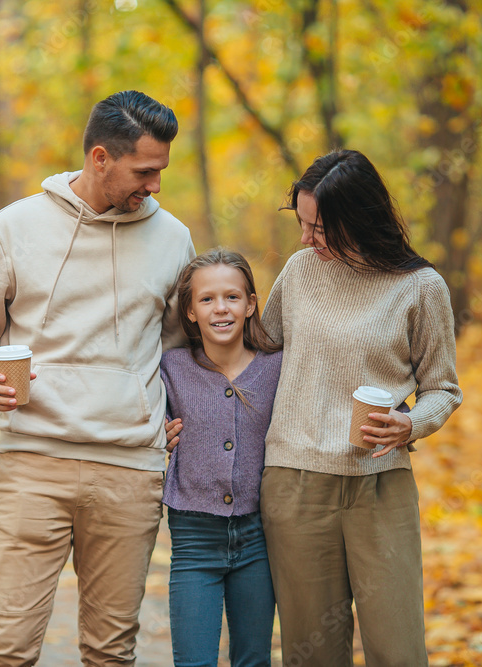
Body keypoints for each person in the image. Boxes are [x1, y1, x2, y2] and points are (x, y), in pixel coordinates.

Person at [0, 90, 196, 667]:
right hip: (31, 464)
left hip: (130, 471)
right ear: (101, 158)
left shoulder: (174, 239)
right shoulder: (12, 228)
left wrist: (181, 418)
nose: (155, 185)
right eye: (145, 171)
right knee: (7, 650)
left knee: (110, 653)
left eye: (161, 171)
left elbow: (180, 348)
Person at [258, 149, 462, 666]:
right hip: (296, 483)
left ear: (359, 220)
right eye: (302, 224)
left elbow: (443, 387)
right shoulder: (301, 271)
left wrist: (410, 423)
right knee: (311, 653)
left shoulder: (420, 286)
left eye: (320, 228)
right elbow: (259, 356)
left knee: (398, 649)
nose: (306, 239)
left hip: (379, 483)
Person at [160, 249, 282, 667]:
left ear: (250, 304)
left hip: (259, 537)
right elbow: (135, 411)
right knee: (193, 661)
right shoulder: (171, 368)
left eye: (232, 297)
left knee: (253, 659)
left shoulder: (277, 367)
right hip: (194, 537)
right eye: (207, 299)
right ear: (190, 312)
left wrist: (401, 415)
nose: (220, 308)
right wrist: (155, 432)